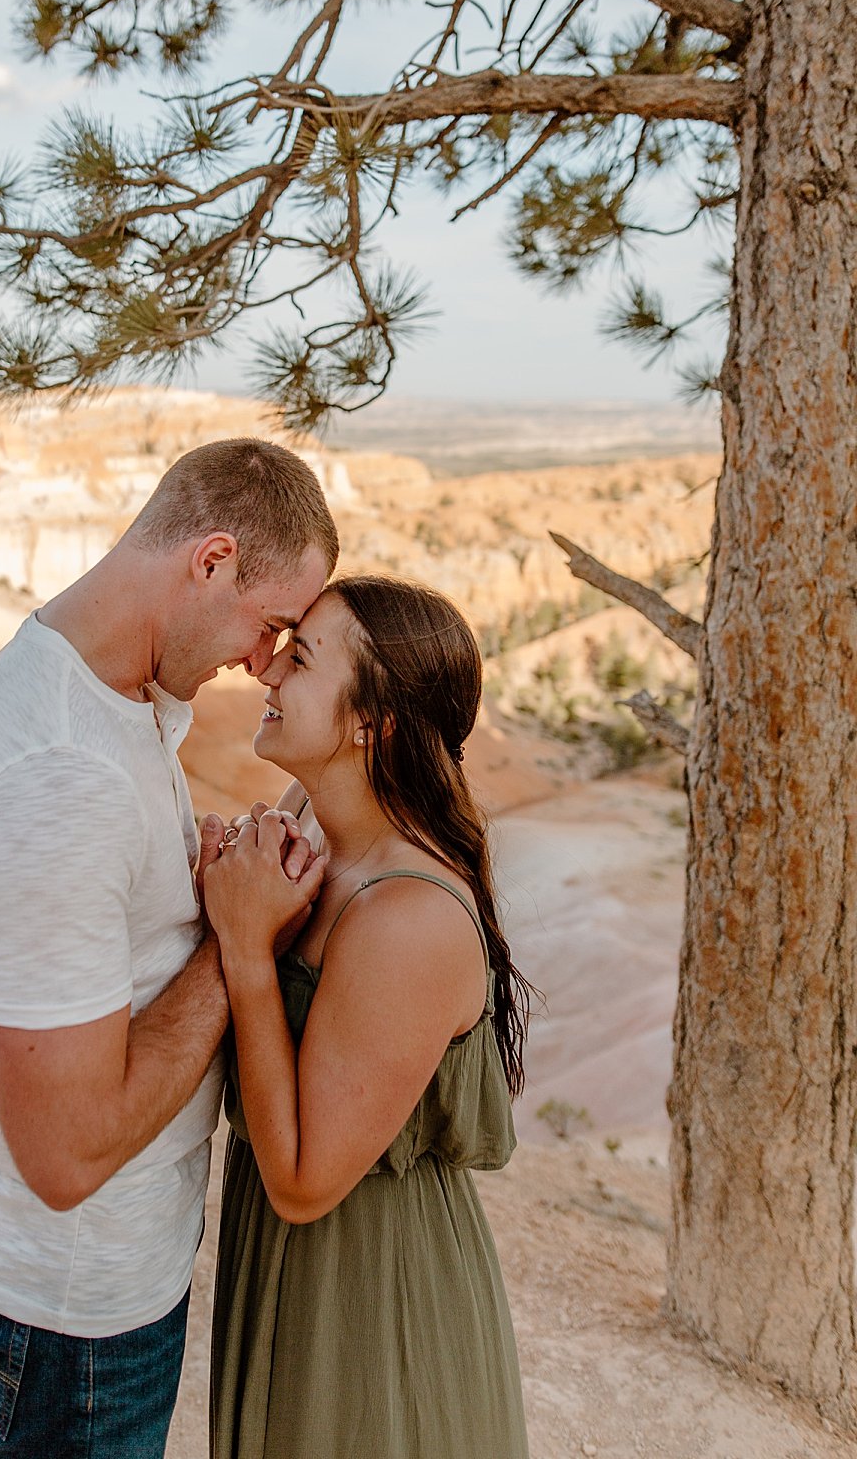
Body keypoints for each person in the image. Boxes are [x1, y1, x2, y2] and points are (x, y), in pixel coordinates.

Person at [0, 437, 338, 1459]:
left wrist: (183, 889)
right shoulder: (60, 775)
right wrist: (230, 941)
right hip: (72, 1308)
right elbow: (66, 1155)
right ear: (211, 560)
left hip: (83, 1285)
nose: (261, 659)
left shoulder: (119, 696)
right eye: (269, 621)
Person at [202, 573, 531, 1459]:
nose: (265, 673)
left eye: (299, 659)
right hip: (298, 1271)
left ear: (369, 722)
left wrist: (244, 947)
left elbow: (306, 1181)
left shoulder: (408, 917)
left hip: (374, 1299)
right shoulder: (311, 816)